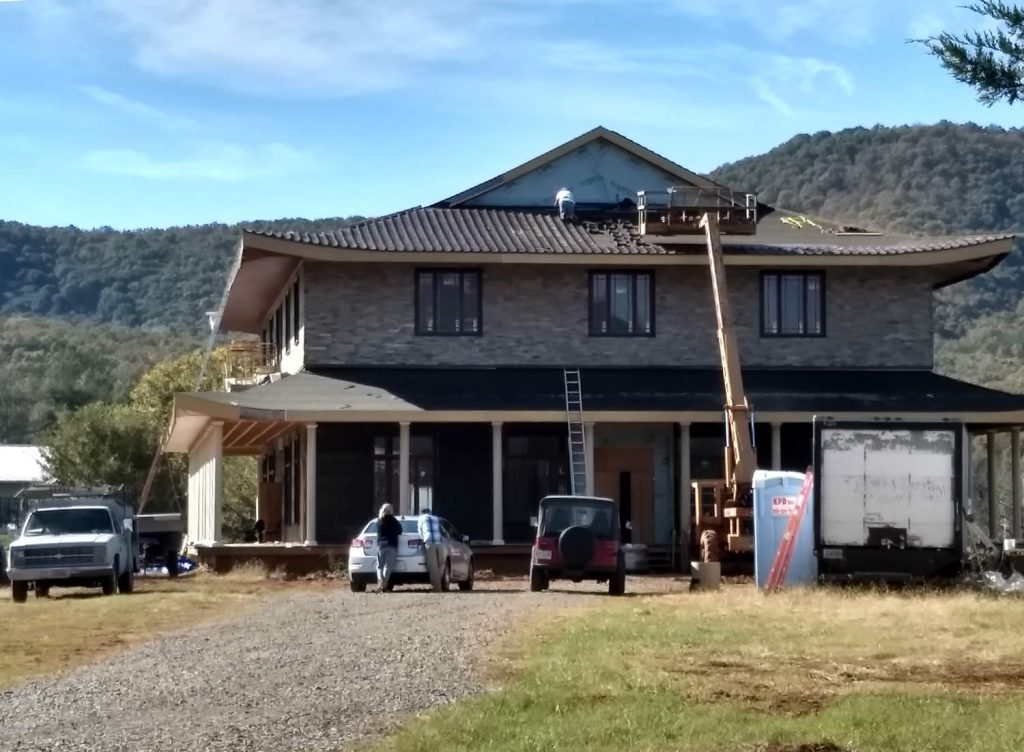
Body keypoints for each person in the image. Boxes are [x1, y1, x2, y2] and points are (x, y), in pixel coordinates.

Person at [375, 503, 402, 593]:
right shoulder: (393, 520)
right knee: (388, 566)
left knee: (379, 566)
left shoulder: (379, 520)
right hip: (391, 545)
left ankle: (380, 581)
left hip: (380, 545)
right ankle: (384, 585)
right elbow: (400, 530)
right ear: (391, 511)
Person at [417, 508, 444, 591]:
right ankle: (441, 582)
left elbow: (420, 532)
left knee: (432, 565)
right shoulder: (435, 518)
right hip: (439, 542)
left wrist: (423, 542)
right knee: (440, 563)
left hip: (429, 542)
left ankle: (437, 587)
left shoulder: (421, 518)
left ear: (421, 513)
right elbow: (441, 529)